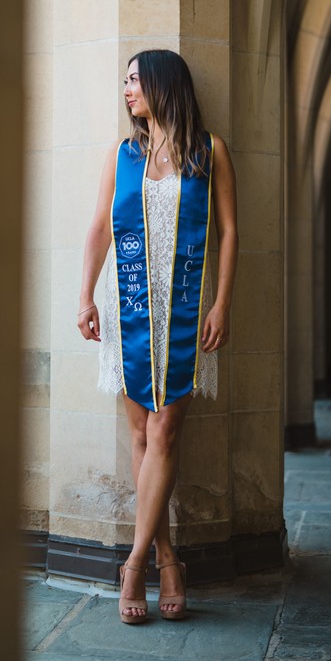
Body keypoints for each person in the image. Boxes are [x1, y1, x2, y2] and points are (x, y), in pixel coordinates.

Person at [77, 49, 238, 624]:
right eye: (124, 82)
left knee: (166, 431)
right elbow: (99, 227)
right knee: (143, 436)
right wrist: (84, 296)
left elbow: (228, 230)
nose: (126, 92)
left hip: (187, 313)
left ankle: (135, 563)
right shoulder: (122, 155)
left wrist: (222, 303)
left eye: (134, 82)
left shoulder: (209, 150)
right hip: (130, 310)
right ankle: (169, 558)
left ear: (164, 86)